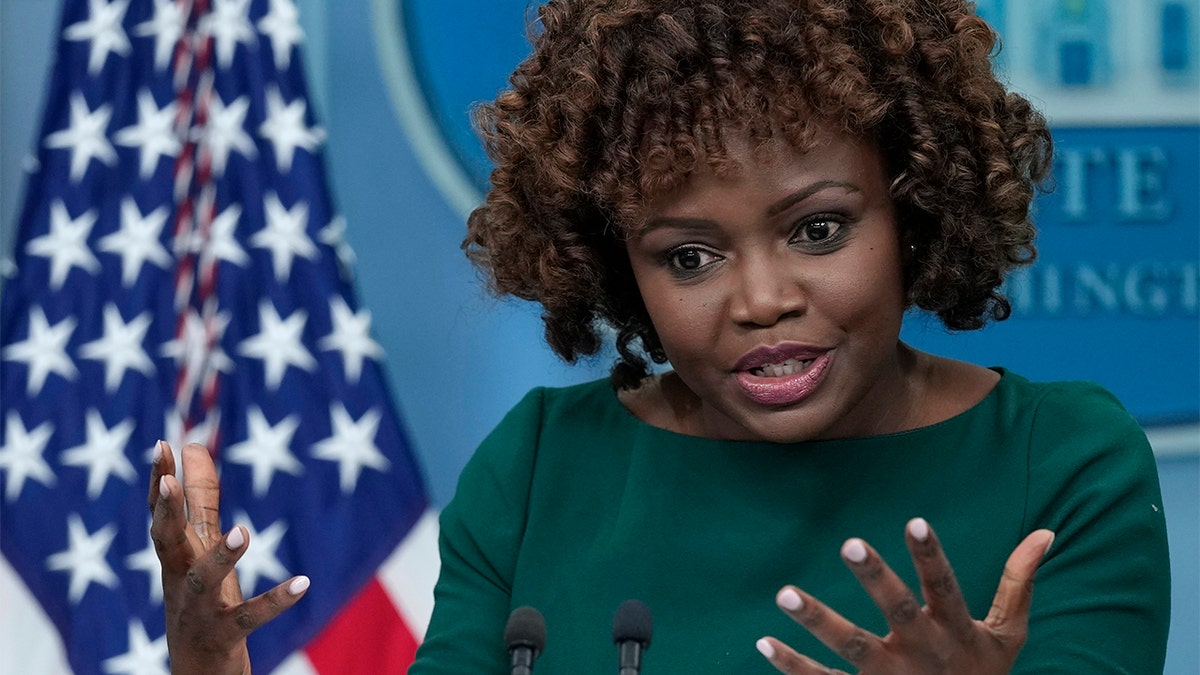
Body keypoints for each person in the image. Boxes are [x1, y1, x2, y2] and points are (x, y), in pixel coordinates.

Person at [148, 0, 1172, 672]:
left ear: (916, 205)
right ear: (612, 263)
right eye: (688, 256)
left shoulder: (1064, 464)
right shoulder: (543, 468)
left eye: (818, 230)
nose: (759, 298)